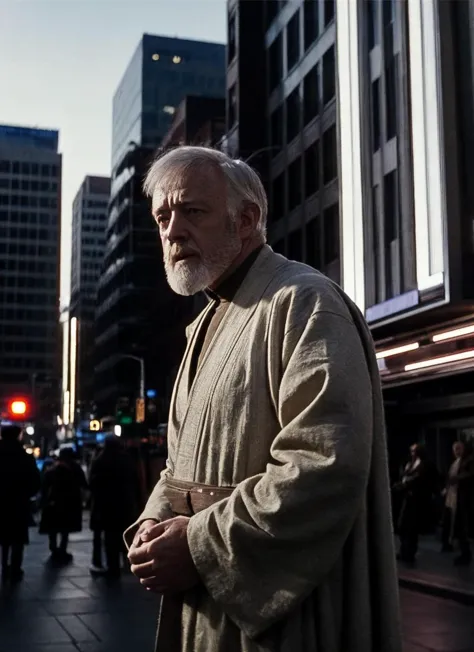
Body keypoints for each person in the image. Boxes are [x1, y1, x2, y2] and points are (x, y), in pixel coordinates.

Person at [125, 146, 402, 652]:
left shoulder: (305, 302)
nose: (172, 231)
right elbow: (178, 466)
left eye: (193, 210)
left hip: (279, 618)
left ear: (246, 218)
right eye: (163, 216)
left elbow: (323, 462)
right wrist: (152, 522)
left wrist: (197, 545)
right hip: (207, 601)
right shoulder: (206, 323)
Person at [89, 435, 140, 577]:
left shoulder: (99, 460)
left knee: (110, 538)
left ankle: (113, 567)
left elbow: (92, 483)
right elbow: (135, 482)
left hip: (106, 506)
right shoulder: (126, 460)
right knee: (125, 535)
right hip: (125, 505)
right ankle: (128, 561)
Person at [0, 424, 41, 582]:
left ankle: (4, 566)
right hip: (18, 503)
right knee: (18, 538)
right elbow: (35, 481)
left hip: (2, 503)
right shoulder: (24, 456)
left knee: (4, 538)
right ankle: (16, 568)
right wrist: (26, 495)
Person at [39, 446, 87, 562]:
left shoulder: (52, 470)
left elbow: (44, 487)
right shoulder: (75, 469)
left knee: (53, 527)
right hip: (70, 503)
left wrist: (44, 501)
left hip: (54, 504)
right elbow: (84, 484)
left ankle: (53, 547)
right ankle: (62, 549)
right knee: (65, 528)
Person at [442, 441, 474, 565]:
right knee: (455, 524)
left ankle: (465, 555)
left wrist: (456, 478)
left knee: (462, 527)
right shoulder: (455, 462)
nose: (456, 451)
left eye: (459, 448)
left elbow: (470, 475)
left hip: (463, 499)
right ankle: (456, 548)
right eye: (455, 449)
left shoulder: (469, 460)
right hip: (454, 497)